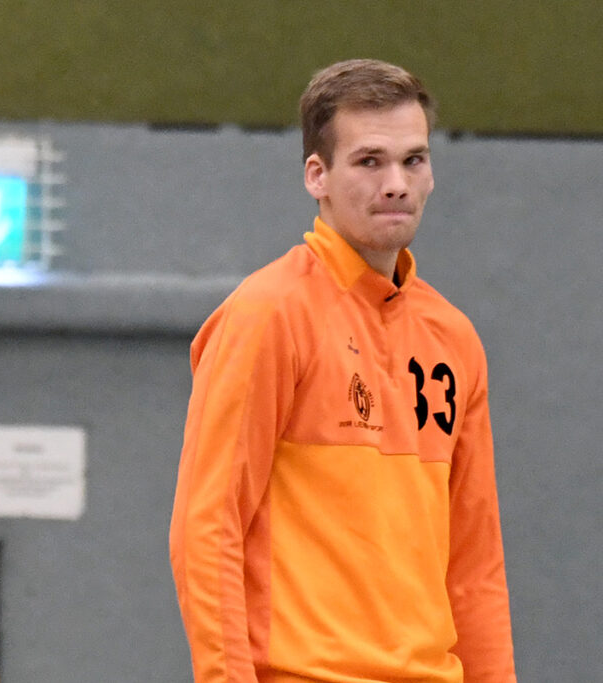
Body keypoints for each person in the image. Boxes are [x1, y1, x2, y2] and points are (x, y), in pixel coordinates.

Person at [169, 59, 516, 682]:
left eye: (414, 160)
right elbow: (208, 530)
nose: (396, 184)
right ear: (317, 176)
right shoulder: (268, 315)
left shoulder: (453, 338)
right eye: (369, 161)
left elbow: (475, 566)